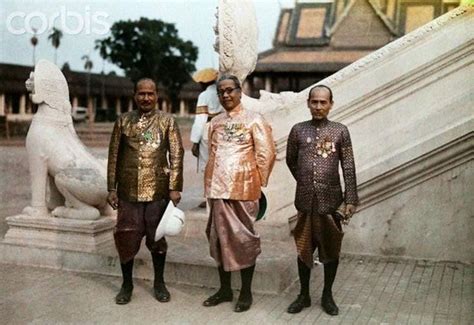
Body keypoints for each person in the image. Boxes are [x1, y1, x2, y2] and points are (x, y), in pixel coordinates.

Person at [107, 78, 184, 305]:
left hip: (158, 192)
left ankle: (159, 283)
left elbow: (177, 155)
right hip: (128, 192)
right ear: (134, 96)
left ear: (157, 95)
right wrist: (111, 187)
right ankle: (127, 284)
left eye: (150, 93)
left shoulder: (167, 121)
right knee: (126, 236)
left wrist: (175, 187)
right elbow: (114, 157)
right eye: (141, 94)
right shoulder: (123, 121)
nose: (146, 98)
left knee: (157, 239)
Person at [203, 74, 276, 312]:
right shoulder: (215, 122)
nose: (225, 95)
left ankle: (245, 292)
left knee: (243, 240)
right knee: (218, 239)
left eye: (229, 90)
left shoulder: (254, 119)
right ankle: (224, 289)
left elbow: (266, 154)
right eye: (221, 92)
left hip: (243, 190)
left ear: (239, 90)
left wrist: (257, 184)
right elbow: (212, 154)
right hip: (216, 190)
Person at [285, 85, 358, 316]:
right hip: (305, 202)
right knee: (304, 248)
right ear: (308, 103)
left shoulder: (340, 131)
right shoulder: (297, 130)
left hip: (331, 203)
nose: (318, 106)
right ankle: (304, 295)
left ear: (331, 104)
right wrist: (306, 181)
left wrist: (350, 199)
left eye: (323, 102)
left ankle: (327, 295)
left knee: (331, 250)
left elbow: (348, 166)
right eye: (314, 102)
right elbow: (291, 161)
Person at [189, 68, 223, 208]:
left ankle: (209, 197)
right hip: (221, 128)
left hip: (207, 130)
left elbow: (200, 119)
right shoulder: (221, 92)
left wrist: (195, 141)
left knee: (207, 164)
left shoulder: (204, 95)